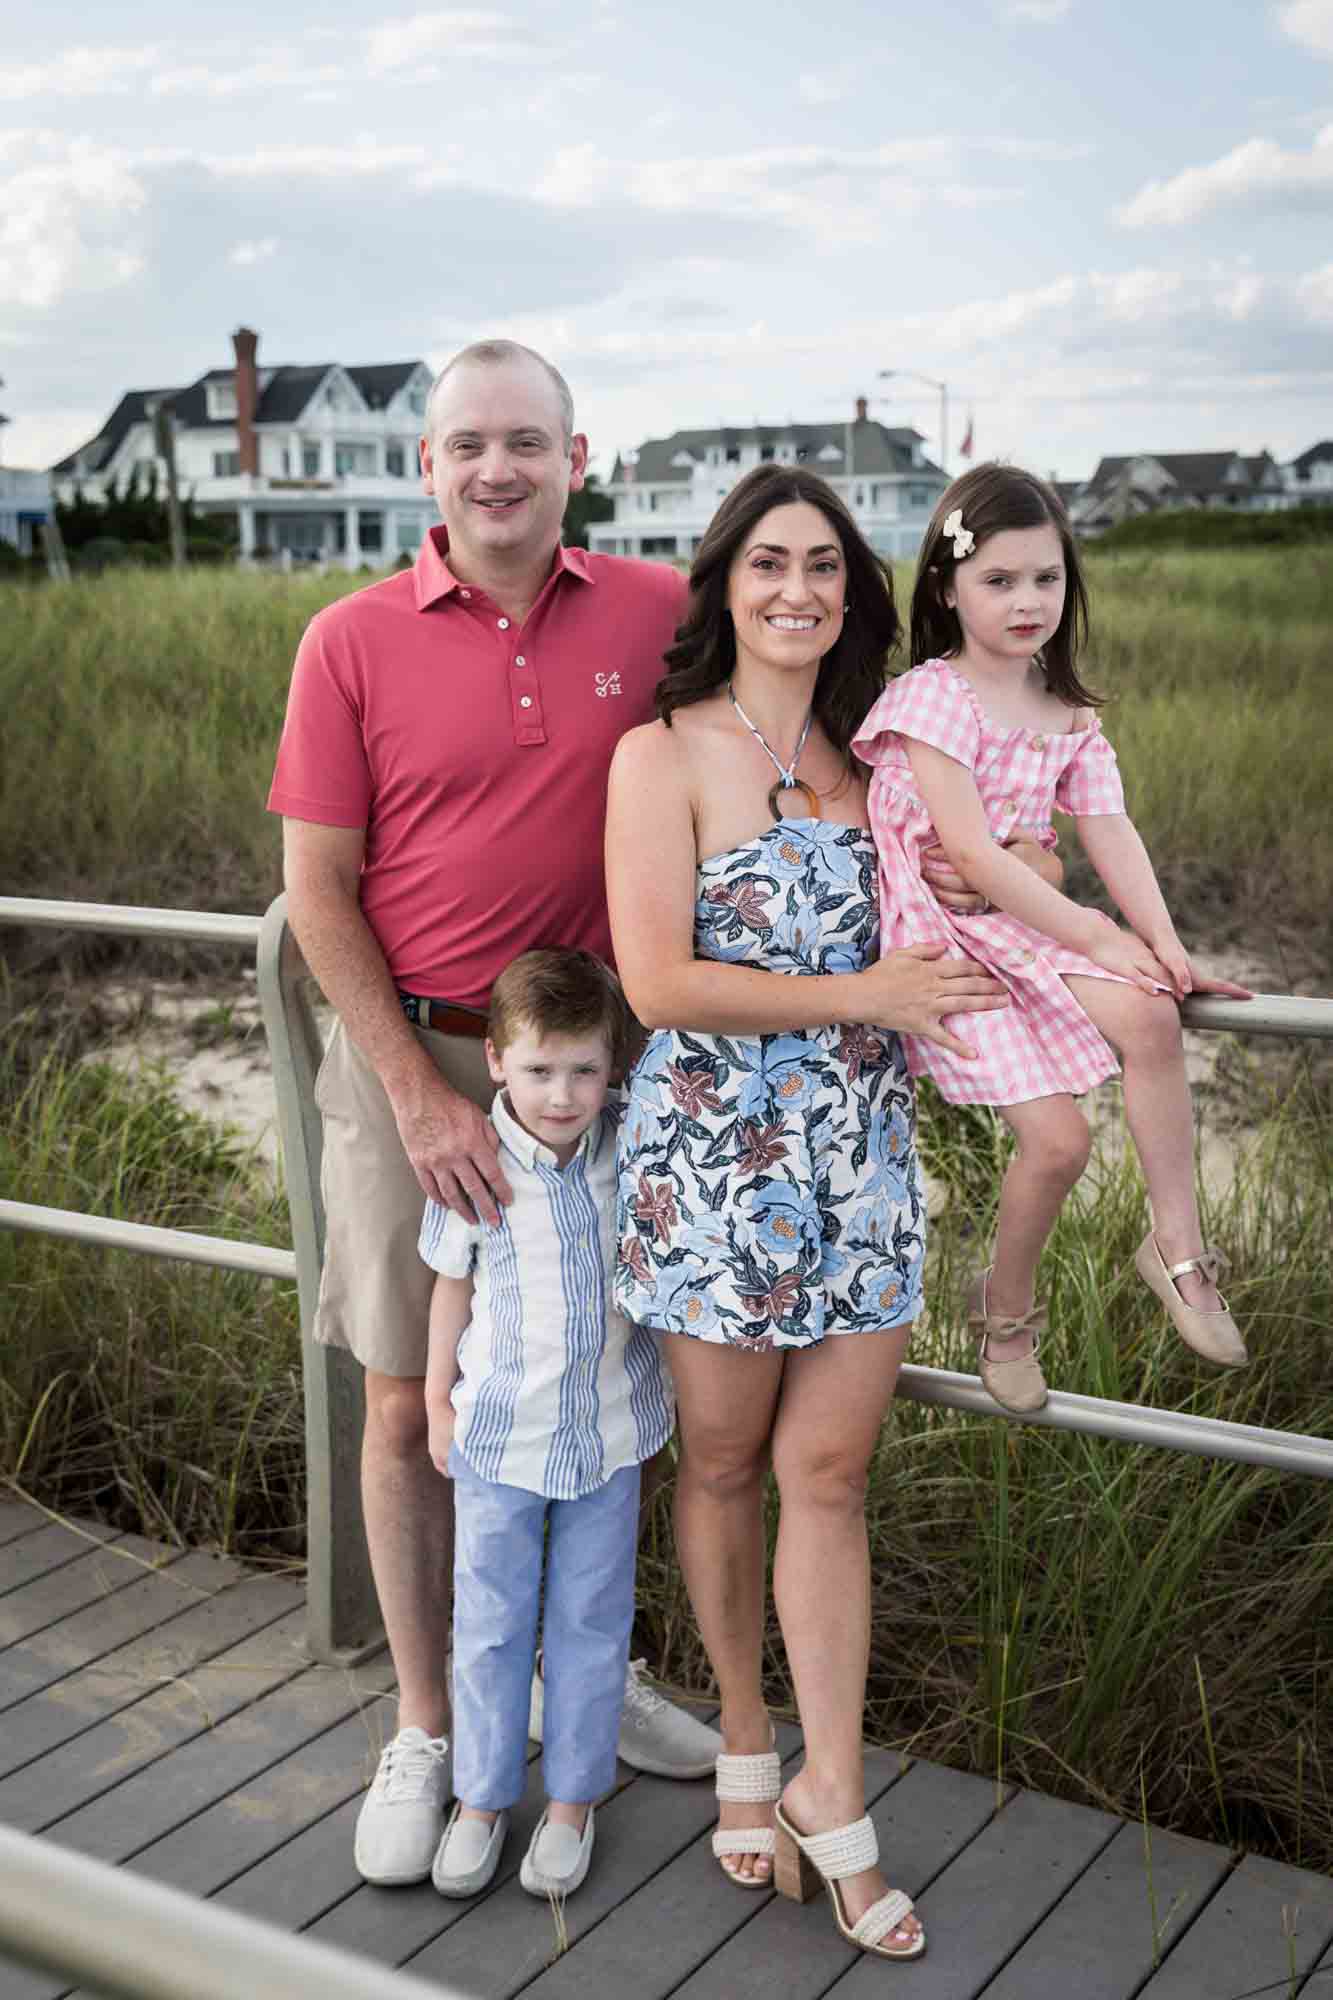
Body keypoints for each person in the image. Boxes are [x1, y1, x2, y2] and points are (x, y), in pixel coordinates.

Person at [267, 338, 722, 1889]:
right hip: (429, 1068)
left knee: (607, 1384)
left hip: (612, 1075)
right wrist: (413, 1092)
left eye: (526, 441)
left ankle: (594, 1683)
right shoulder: (348, 639)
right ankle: (428, 1728)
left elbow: (814, 671)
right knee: (413, 1403)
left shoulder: (659, 618)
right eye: (470, 444)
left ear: (575, 456)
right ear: (430, 467)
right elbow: (314, 896)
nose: (497, 470)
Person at [606, 464, 1067, 1964]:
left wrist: (1065, 923)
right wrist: (860, 990)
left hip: (862, 1170)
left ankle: (832, 1789)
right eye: (768, 564)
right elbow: (659, 984)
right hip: (715, 1174)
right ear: (724, 583)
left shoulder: (890, 754)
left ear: (856, 595)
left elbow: (980, 895)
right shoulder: (659, 756)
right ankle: (746, 1735)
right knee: (726, 1463)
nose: (797, 589)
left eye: (824, 567)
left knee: (831, 1476)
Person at [852, 462, 1253, 1415]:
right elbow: (970, 855)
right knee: (1060, 1142)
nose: (1027, 601)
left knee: (1154, 1014)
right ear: (948, 588)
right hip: (946, 937)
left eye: (1045, 578)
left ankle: (1176, 1247)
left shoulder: (1063, 703)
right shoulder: (933, 697)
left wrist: (1160, 944)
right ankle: (1004, 1309)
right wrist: (1094, 935)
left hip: (1024, 924)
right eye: (998, 581)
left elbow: (1109, 827)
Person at [421, 949, 672, 1900]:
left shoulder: (634, 1147)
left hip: (608, 1431)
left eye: (582, 1069)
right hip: (496, 1433)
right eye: (537, 1070)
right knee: (487, 1621)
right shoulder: (476, 1165)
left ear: (614, 1067)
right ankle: (481, 1800)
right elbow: (450, 1289)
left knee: (591, 1616)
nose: (560, 1094)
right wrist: (437, 1400)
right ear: (494, 1061)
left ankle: (571, 1799)